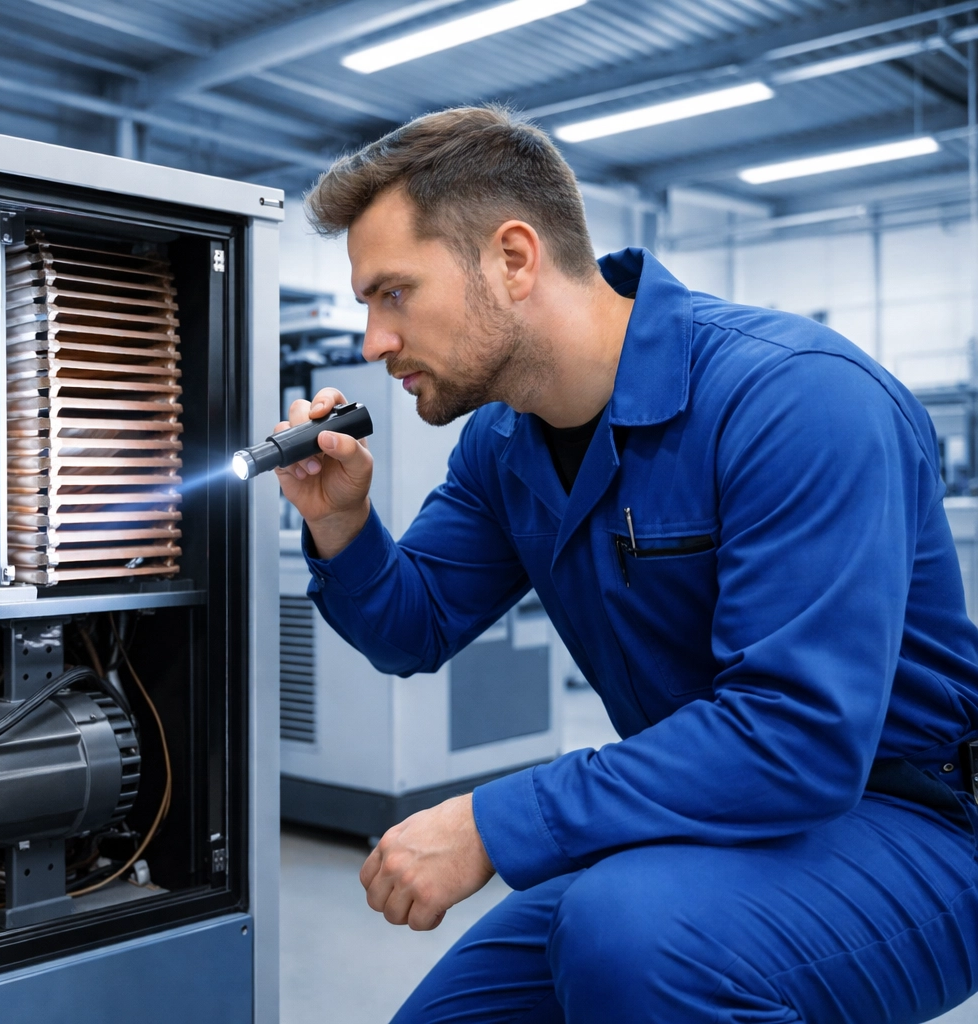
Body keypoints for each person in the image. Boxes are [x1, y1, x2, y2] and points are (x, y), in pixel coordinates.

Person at [277, 105, 978, 1023]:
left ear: (514, 259)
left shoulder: (796, 400)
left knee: (631, 935)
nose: (373, 341)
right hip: (698, 813)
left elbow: (797, 738)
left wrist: (492, 821)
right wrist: (342, 523)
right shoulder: (504, 444)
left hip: (908, 820)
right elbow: (412, 628)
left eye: (394, 293)